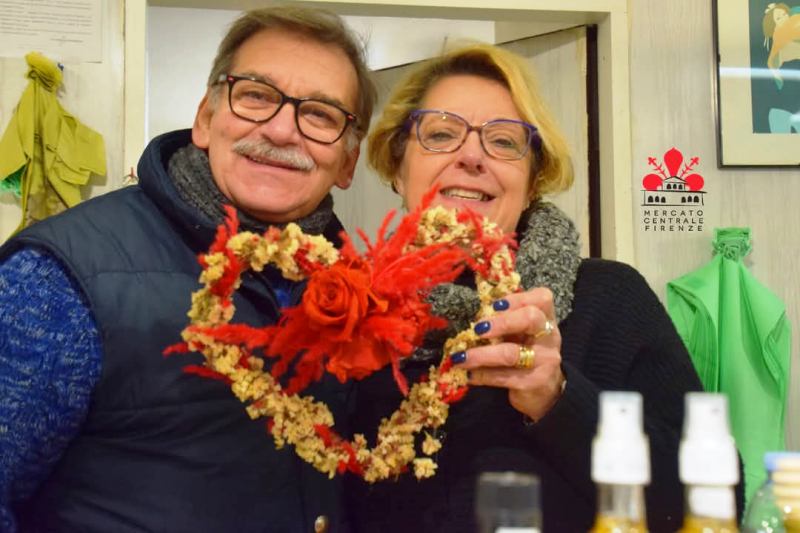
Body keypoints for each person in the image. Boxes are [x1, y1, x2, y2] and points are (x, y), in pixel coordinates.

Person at [0, 6, 375, 532]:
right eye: (256, 96)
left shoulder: (357, 282)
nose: (282, 130)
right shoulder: (60, 277)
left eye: (320, 115)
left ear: (348, 162)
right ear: (205, 118)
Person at [346, 43, 743, 532]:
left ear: (533, 179)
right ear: (398, 165)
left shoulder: (611, 298)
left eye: (503, 141)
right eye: (442, 134)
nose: (471, 156)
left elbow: (718, 499)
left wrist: (559, 398)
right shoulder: (346, 308)